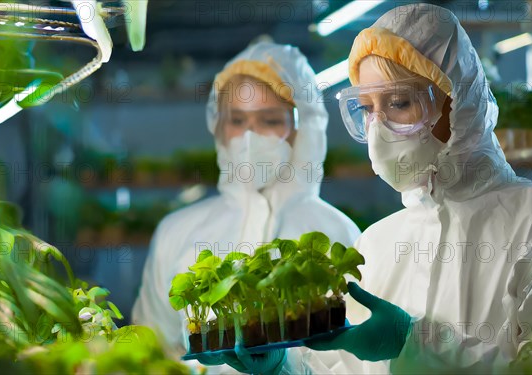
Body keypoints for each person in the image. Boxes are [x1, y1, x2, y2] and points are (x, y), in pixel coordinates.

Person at [302, 3, 532, 374]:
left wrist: (416, 345)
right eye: (366, 109)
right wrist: (284, 368)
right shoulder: (374, 245)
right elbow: (336, 367)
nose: (379, 128)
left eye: (400, 103)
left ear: (460, 103)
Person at [131, 42, 361, 373]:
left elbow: (358, 364)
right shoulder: (177, 231)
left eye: (269, 120)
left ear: (304, 127)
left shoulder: (337, 233)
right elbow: (150, 347)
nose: (250, 137)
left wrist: (286, 369)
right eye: (237, 120)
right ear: (219, 128)